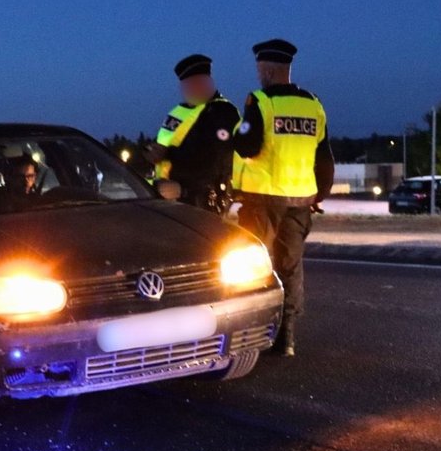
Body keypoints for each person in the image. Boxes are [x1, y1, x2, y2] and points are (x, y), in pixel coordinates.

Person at [231, 39, 334, 357]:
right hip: (301, 203)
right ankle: (286, 338)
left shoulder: (260, 102)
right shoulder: (313, 104)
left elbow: (247, 147)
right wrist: (321, 193)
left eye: (260, 69)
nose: (258, 74)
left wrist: (236, 134)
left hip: (263, 203)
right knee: (290, 268)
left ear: (268, 69)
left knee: (254, 267)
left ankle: (253, 334)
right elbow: (324, 156)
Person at [143, 54, 241, 214]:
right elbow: (163, 143)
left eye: (192, 85)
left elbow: (216, 160)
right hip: (169, 197)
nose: (186, 91)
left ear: (206, 83)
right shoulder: (178, 112)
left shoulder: (222, 112)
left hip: (200, 201)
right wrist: (151, 152)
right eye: (184, 86)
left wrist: (183, 188)